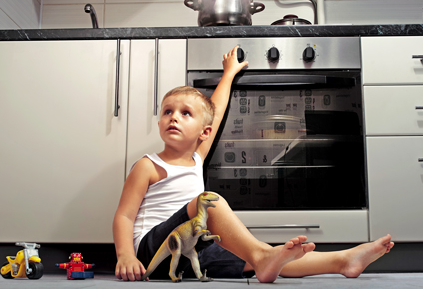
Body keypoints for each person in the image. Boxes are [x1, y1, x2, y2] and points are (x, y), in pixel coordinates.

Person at [112, 46, 394, 283]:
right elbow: (124, 216)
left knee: (262, 256)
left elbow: (217, 112)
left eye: (185, 113)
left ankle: (342, 261)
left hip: (189, 252)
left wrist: (228, 75)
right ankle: (263, 257)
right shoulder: (148, 166)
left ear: (203, 132)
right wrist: (125, 254)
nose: (173, 117)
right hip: (152, 251)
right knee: (207, 201)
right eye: (167, 112)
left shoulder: (196, 157)